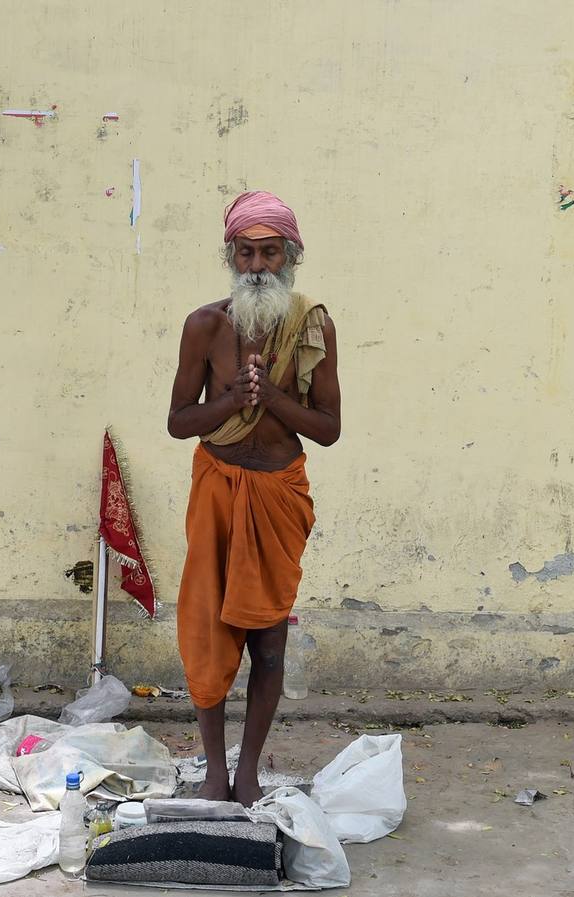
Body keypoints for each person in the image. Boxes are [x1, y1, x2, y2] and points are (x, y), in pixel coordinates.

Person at [166, 190, 341, 805]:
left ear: (291, 256)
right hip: (217, 488)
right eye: (247, 253)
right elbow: (179, 420)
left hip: (277, 494)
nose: (259, 266)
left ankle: (248, 774)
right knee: (211, 632)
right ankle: (215, 771)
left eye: (271, 253)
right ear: (230, 257)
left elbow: (327, 429)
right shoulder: (205, 325)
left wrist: (271, 399)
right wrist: (232, 400)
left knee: (269, 640)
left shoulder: (313, 327)